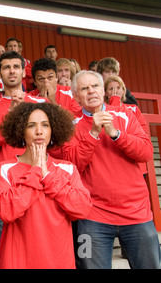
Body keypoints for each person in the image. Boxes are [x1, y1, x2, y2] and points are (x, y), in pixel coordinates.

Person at [63, 70, 160, 269]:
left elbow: (146, 153)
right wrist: (93, 133)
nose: (91, 91)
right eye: (84, 88)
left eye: (95, 86)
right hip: (91, 218)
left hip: (137, 214)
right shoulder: (70, 125)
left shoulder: (125, 115)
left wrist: (116, 134)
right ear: (76, 97)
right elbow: (71, 164)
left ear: (103, 90)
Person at [0, 102, 92, 268]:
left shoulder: (66, 168)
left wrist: (48, 176)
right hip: (18, 261)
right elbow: (7, 212)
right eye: (31, 125)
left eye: (45, 125)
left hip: (59, 261)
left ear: (53, 131)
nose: (39, 131)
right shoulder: (5, 168)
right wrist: (36, 171)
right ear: (21, 132)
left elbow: (82, 208)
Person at [0, 50, 48, 268]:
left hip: (39, 189)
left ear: (24, 71)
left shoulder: (40, 102)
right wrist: (12, 114)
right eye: (6, 67)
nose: (12, 71)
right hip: (2, 194)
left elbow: (54, 142)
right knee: (3, 260)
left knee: (39, 257)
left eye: (16, 66)